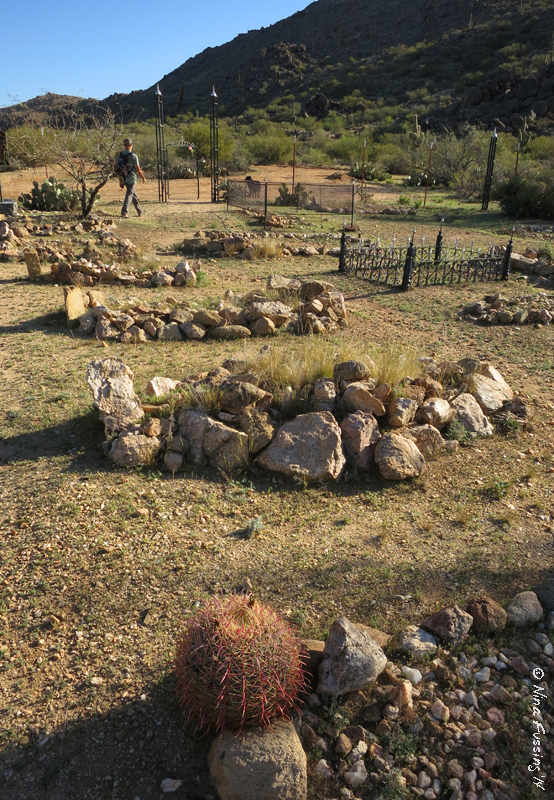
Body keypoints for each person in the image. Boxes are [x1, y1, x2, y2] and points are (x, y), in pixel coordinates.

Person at [119, 138, 146, 218]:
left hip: (124, 177)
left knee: (133, 194)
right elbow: (138, 169)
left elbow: (118, 169)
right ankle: (124, 212)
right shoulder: (133, 156)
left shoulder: (120, 155)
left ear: (124, 145)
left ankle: (139, 211)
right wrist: (143, 177)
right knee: (129, 194)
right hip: (131, 178)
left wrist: (120, 180)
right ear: (131, 145)